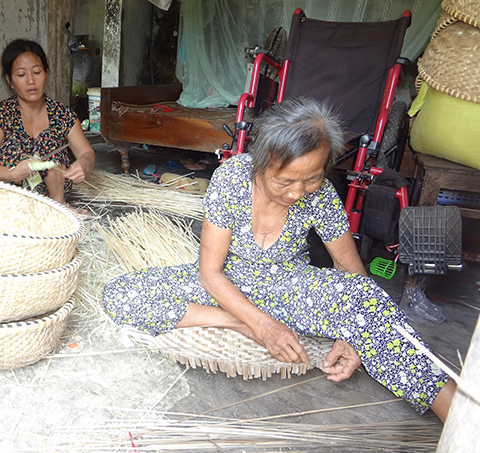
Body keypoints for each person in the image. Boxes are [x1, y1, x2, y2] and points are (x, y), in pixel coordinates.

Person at [103, 97, 456, 422]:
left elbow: (350, 271)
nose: (297, 192)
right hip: (229, 283)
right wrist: (257, 325)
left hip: (291, 286)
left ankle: (451, 407)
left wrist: (354, 334)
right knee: (122, 294)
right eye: (284, 181)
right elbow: (210, 273)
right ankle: (232, 320)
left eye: (312, 180)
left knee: (367, 300)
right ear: (261, 162)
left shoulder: (321, 196)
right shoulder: (232, 178)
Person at [0, 39, 95, 206]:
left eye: (37, 72)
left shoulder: (62, 114)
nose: (31, 81)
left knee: (50, 148)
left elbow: (87, 153)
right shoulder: (0, 116)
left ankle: (58, 208)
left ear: (46, 74)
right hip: (11, 201)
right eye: (21, 75)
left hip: (54, 201)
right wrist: (13, 174)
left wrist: (83, 165)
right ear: (10, 80)